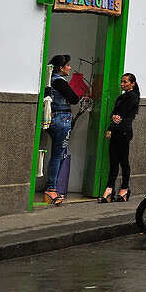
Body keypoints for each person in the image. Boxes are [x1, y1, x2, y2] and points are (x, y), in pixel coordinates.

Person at [43, 54, 81, 204]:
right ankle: (51, 189)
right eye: (68, 65)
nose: (70, 68)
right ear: (61, 68)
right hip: (62, 118)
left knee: (59, 153)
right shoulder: (59, 82)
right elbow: (74, 98)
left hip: (53, 118)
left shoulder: (49, 81)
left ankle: (53, 188)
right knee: (59, 154)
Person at [101, 73, 140, 203]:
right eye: (121, 82)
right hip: (117, 131)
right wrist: (112, 120)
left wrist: (112, 125)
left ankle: (124, 188)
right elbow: (114, 113)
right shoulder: (122, 96)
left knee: (123, 161)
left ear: (132, 83)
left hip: (124, 132)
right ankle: (109, 188)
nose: (122, 84)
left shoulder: (133, 97)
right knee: (113, 162)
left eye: (125, 82)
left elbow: (121, 114)